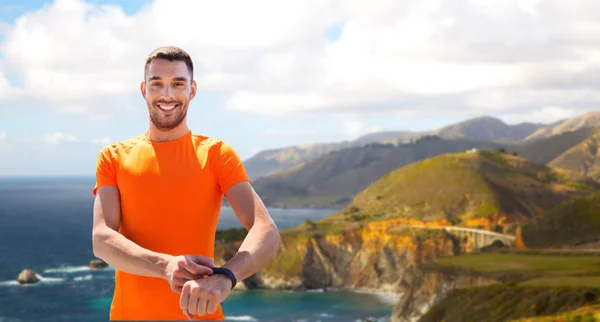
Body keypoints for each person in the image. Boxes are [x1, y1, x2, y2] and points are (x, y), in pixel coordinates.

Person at [91, 46, 281, 321]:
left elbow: (266, 229)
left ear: (192, 90)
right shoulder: (112, 157)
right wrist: (165, 265)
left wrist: (226, 277)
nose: (167, 94)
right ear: (144, 90)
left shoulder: (217, 154)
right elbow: (102, 239)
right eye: (157, 84)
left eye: (177, 84)